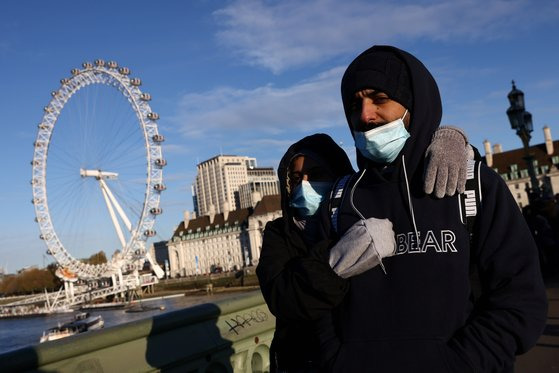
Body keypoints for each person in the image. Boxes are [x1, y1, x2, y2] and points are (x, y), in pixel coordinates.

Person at [316, 45, 548, 372]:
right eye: (355, 104)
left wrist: (459, 363)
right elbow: (316, 304)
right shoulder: (341, 200)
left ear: (414, 103)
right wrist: (339, 361)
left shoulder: (474, 186)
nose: (365, 115)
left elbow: (520, 299)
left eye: (379, 98)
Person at [257, 126, 475, 372]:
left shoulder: (359, 210)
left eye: (315, 174)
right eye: (296, 179)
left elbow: (404, 183)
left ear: (338, 176)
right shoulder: (279, 232)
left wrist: (452, 139)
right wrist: (337, 260)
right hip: (302, 360)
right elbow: (283, 298)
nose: (304, 185)